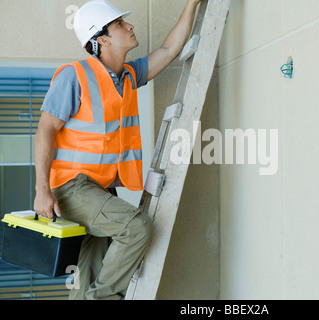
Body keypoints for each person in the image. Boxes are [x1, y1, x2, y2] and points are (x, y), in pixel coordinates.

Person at [33, 0, 202, 300]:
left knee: (91, 265)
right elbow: (45, 130)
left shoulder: (126, 76)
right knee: (135, 227)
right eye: (121, 24)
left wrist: (193, 3)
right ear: (103, 40)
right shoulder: (75, 76)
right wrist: (41, 190)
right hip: (70, 187)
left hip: (98, 189)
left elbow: (168, 50)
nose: (130, 26)